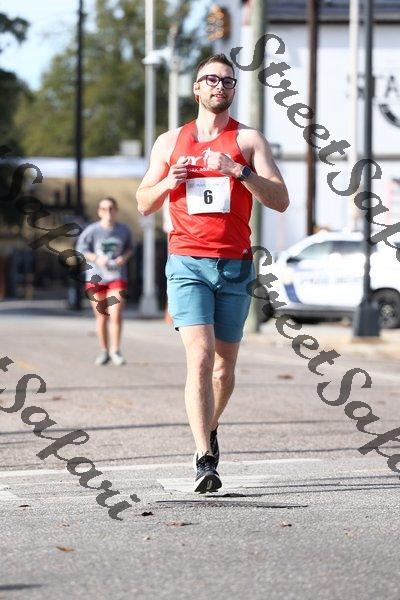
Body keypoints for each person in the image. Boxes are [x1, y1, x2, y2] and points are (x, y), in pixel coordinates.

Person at [136, 53, 289, 493]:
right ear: (196, 88)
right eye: (211, 80)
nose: (220, 86)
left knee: (223, 369)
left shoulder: (249, 140)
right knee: (200, 358)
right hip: (187, 261)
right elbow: (143, 202)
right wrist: (170, 182)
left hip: (235, 264)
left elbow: (280, 200)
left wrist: (238, 171)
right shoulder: (170, 142)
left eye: (228, 81)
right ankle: (204, 458)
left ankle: (210, 425)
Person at [77, 196, 134, 366]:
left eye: (111, 208)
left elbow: (130, 248)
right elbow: (80, 249)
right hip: (95, 278)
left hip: (117, 277)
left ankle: (115, 350)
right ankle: (104, 351)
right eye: (104, 209)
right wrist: (95, 258)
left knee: (116, 315)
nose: (108, 212)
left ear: (116, 211)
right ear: (99, 212)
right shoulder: (92, 230)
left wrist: (123, 258)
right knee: (102, 317)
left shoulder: (124, 230)